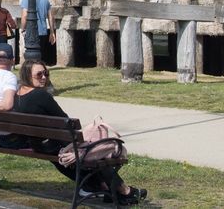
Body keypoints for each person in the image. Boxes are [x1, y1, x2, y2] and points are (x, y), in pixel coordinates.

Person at [9, 59, 144, 204]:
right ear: (27, 75)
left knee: (85, 153)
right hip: (54, 146)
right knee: (95, 154)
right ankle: (125, 191)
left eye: (46, 73)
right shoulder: (40, 96)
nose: (44, 77)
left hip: (39, 145)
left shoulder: (17, 95)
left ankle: (104, 188)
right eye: (39, 74)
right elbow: (66, 121)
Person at [19, 0, 56, 66]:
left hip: (31, 31)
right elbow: (50, 16)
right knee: (40, 53)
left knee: (30, 54)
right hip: (43, 31)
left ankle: (32, 69)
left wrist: (22, 28)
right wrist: (52, 32)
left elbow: (24, 15)